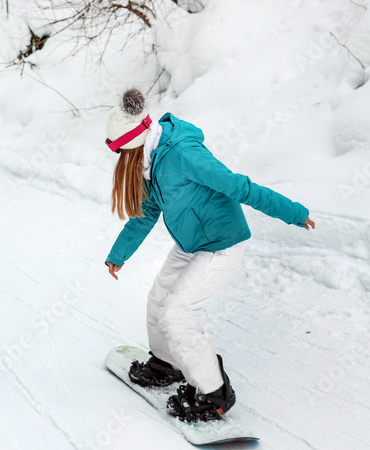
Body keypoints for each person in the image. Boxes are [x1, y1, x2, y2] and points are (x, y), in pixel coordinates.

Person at [103, 89, 315, 422]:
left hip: (221, 244)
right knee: (158, 299)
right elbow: (146, 212)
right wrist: (119, 254)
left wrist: (293, 212)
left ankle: (215, 393)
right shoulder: (150, 159)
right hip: (190, 244)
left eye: (119, 150)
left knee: (177, 314)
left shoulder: (182, 154)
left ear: (132, 143)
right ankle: (166, 363)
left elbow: (238, 185)